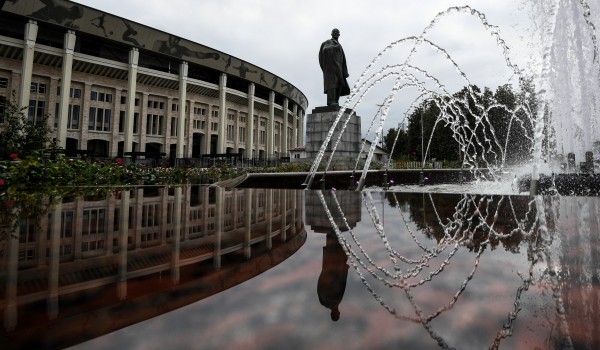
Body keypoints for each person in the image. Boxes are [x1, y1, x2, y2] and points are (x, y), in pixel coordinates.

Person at [319, 28, 350, 107]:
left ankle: (335, 101)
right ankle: (331, 101)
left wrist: (344, 71)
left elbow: (343, 59)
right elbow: (325, 50)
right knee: (332, 84)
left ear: (339, 34)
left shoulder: (338, 44)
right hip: (331, 68)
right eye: (334, 32)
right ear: (331, 34)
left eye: (337, 32)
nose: (335, 33)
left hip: (338, 67)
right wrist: (334, 48)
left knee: (339, 84)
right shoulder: (329, 42)